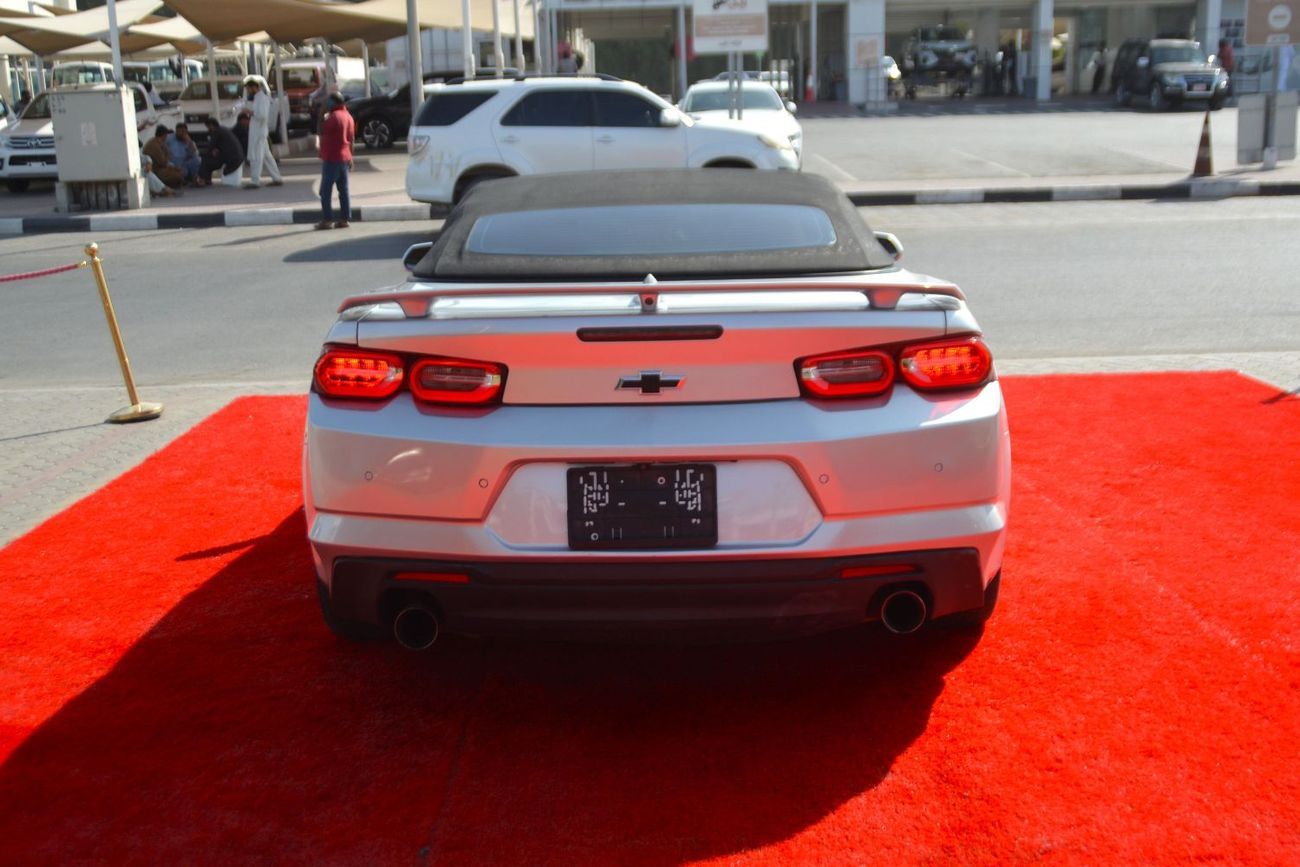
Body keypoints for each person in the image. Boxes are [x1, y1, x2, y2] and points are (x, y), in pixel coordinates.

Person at [316, 93, 354, 230]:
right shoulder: (348, 116)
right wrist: (351, 158)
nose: (326, 104)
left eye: (328, 101)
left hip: (332, 158)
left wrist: (321, 113)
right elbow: (351, 140)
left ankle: (327, 220)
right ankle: (345, 219)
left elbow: (321, 131)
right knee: (343, 190)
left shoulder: (333, 118)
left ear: (333, 102)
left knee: (325, 191)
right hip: (344, 158)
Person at [241, 76, 282, 188]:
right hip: (258, 131)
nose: (248, 91)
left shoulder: (262, 98)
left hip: (259, 132)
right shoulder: (258, 98)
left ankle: (255, 180)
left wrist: (250, 112)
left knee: (256, 156)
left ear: (254, 87)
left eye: (249, 89)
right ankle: (276, 177)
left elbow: (262, 115)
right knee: (267, 157)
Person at [201, 117, 245, 186]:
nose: (208, 129)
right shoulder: (223, 130)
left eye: (208, 127)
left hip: (232, 159)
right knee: (209, 158)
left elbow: (210, 148)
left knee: (206, 160)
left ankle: (205, 179)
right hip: (236, 157)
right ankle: (206, 179)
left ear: (211, 125)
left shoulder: (217, 132)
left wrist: (200, 154)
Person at [142, 124, 183, 188]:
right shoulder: (154, 145)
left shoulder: (157, 143)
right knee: (176, 175)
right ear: (164, 135)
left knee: (178, 171)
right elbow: (163, 162)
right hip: (155, 170)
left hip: (158, 168)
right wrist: (167, 152)